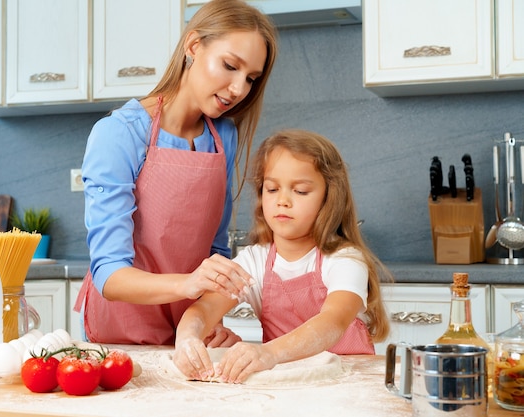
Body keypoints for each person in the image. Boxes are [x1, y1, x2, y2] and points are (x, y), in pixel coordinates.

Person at [73, 0, 278, 346]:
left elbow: (214, 251)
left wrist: (207, 319)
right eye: (230, 66)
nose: (240, 89)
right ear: (194, 46)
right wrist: (188, 284)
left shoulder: (223, 137)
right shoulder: (120, 133)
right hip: (117, 333)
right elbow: (108, 275)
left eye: (251, 79)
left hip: (185, 330)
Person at [173, 129, 391, 383]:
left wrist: (268, 353)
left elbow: (332, 322)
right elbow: (205, 308)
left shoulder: (345, 260)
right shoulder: (254, 261)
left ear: (329, 199)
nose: (283, 201)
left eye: (300, 191)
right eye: (273, 189)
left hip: (347, 383)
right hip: (287, 386)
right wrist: (188, 339)